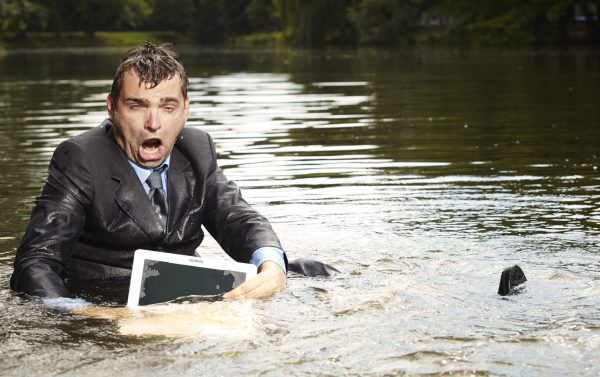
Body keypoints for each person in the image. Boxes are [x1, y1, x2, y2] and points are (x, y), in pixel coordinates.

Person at [10, 42, 287, 312]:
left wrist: (271, 266)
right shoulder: (79, 158)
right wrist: (89, 314)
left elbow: (238, 218)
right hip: (110, 305)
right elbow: (36, 262)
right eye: (137, 106)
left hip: (188, 298)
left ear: (185, 110)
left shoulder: (198, 149)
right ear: (112, 108)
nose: (153, 123)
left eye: (167, 107)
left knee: (312, 272)